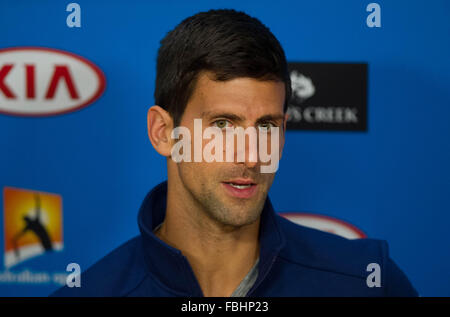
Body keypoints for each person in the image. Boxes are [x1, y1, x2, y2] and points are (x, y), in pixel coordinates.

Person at [51, 9, 418, 297]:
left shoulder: (366, 281)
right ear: (163, 133)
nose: (252, 157)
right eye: (223, 124)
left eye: (266, 127)